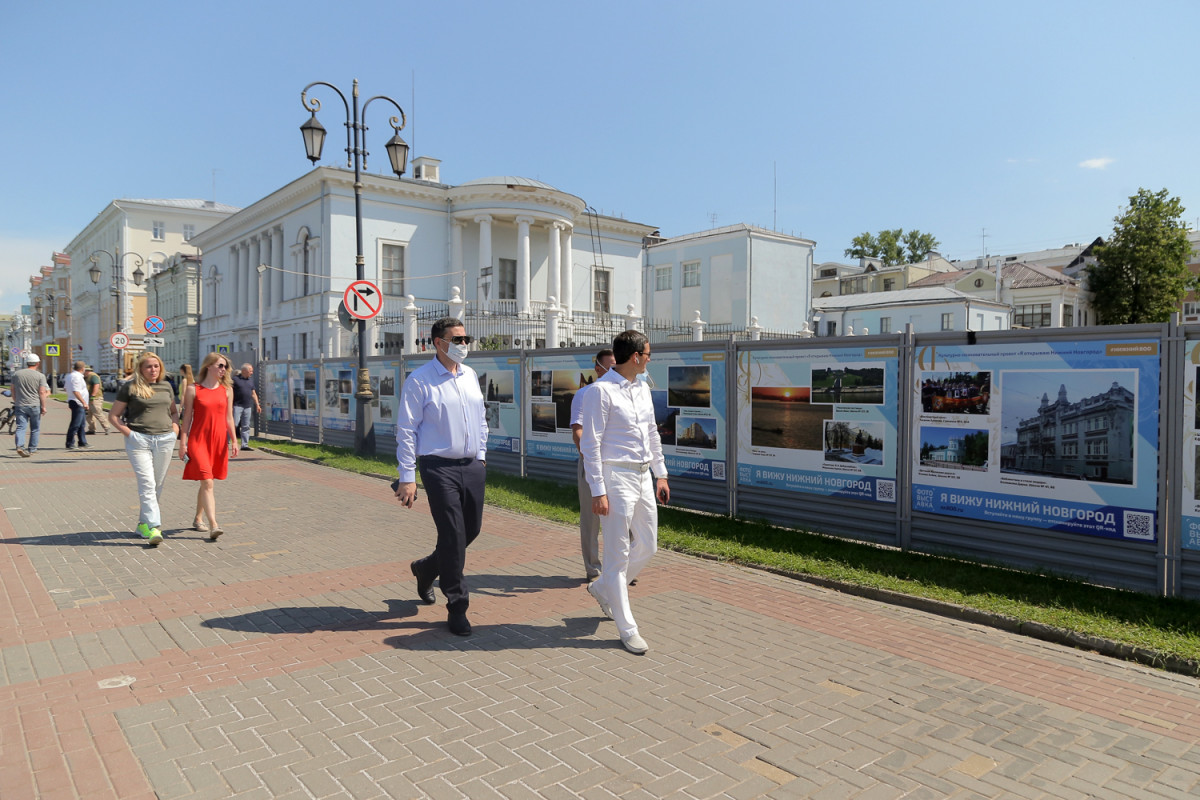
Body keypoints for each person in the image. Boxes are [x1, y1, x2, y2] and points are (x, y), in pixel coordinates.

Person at [394, 317, 488, 637]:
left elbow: (481, 418)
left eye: (466, 339)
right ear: (438, 343)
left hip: (472, 466)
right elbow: (407, 431)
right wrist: (408, 476)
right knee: (452, 534)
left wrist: (482, 456)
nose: (464, 345)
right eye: (457, 340)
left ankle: (426, 568)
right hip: (438, 467)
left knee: (469, 531)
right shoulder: (420, 381)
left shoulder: (471, 376)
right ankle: (457, 606)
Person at [580, 330, 669, 655]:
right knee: (617, 557)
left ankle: (604, 589)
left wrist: (661, 473)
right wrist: (598, 490)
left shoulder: (642, 387)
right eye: (647, 354)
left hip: (643, 474)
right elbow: (590, 444)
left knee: (648, 543)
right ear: (635, 357)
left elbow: (651, 431)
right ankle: (627, 627)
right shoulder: (599, 392)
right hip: (615, 475)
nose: (649, 359)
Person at [108, 352, 180, 547]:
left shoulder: (166, 386)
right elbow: (113, 416)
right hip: (139, 440)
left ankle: (143, 525)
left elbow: (173, 411)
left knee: (157, 484)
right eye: (148, 366)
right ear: (140, 369)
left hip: (165, 439)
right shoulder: (130, 387)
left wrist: (175, 429)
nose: (153, 370)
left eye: (156, 366)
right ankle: (155, 527)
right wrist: (129, 433)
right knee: (147, 483)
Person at [181, 352, 239, 540]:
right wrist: (183, 442)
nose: (224, 370)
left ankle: (198, 518)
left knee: (207, 482)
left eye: (225, 367)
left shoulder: (227, 389)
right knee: (207, 481)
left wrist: (234, 440)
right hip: (198, 440)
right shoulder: (193, 389)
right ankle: (214, 524)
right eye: (220, 366)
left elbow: (229, 417)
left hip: (219, 440)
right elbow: (187, 418)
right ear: (209, 366)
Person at [570, 348, 615, 581]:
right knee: (591, 518)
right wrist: (588, 459)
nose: (615, 370)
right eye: (611, 365)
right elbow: (577, 430)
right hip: (592, 463)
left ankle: (619, 567)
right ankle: (593, 569)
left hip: (618, 465)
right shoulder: (585, 394)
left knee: (622, 517)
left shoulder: (623, 393)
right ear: (599, 369)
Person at [11, 353, 49, 458]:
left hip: (20, 405)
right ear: (37, 363)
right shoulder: (40, 376)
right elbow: (42, 392)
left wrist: (16, 400)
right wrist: (43, 406)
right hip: (34, 405)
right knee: (35, 428)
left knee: (21, 427)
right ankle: (32, 449)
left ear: (26, 362)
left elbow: (12, 389)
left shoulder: (16, 374)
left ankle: (20, 446)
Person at [231, 363, 260, 450]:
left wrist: (257, 405)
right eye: (250, 371)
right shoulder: (235, 380)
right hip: (237, 406)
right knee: (234, 424)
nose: (252, 373)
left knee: (246, 426)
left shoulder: (250, 381)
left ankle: (245, 445)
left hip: (247, 406)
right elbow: (228, 392)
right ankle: (226, 442)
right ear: (244, 371)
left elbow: (253, 393)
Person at [64, 361, 90, 450]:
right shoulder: (77, 377)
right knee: (75, 424)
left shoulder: (70, 375)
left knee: (82, 424)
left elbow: (65, 388)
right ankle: (70, 443)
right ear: (82, 368)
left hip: (76, 401)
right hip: (77, 402)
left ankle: (82, 442)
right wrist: (84, 402)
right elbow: (76, 391)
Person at [84, 366, 110, 435]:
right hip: (89, 398)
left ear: (87, 371)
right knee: (89, 415)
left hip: (95, 398)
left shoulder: (93, 376)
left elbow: (96, 386)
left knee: (98, 413)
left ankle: (106, 427)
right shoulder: (87, 377)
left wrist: (93, 396)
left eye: (84, 371)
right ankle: (92, 429)